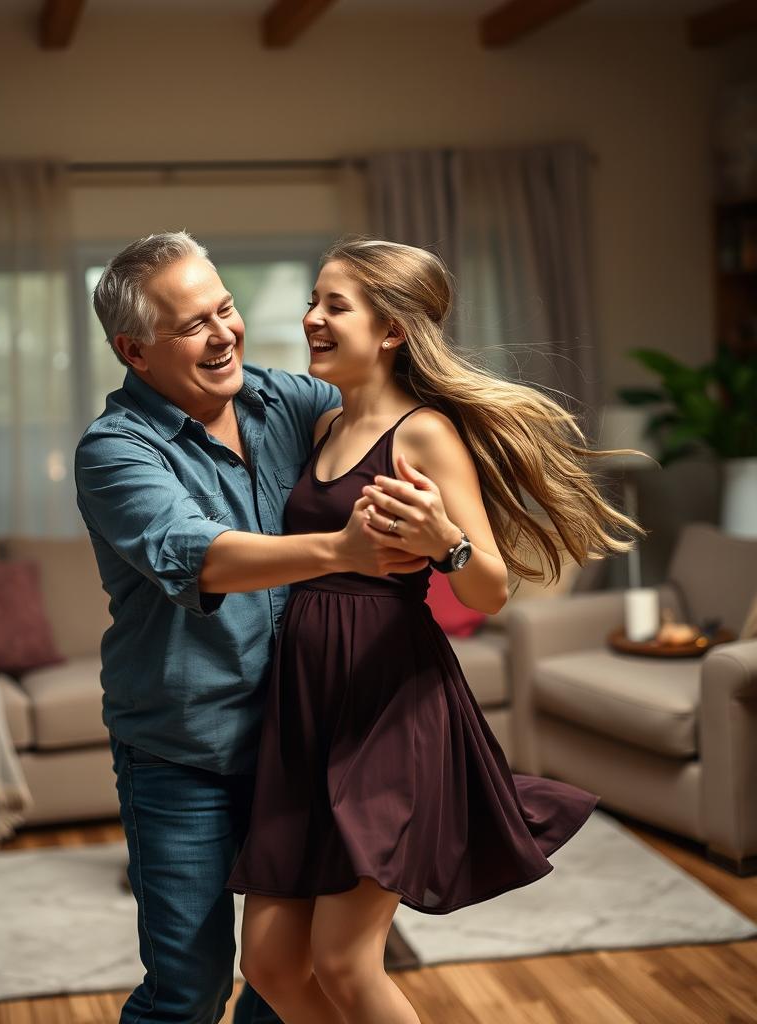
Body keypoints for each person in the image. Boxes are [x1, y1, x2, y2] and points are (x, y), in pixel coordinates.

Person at [224, 237, 647, 1024]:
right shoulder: (324, 429)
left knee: (345, 962)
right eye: (313, 302)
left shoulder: (424, 434)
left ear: (391, 330)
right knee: (271, 964)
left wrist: (444, 544)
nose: (312, 318)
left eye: (335, 305)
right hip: (307, 706)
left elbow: (489, 588)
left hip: (390, 704)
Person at [74, 232, 433, 1024]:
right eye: (192, 325)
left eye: (225, 309)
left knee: (279, 976)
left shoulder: (284, 401)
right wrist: (341, 550)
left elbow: (391, 408)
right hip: (184, 752)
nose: (223, 334)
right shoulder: (114, 451)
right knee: (189, 987)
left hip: (301, 743)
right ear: (134, 350)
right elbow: (198, 554)